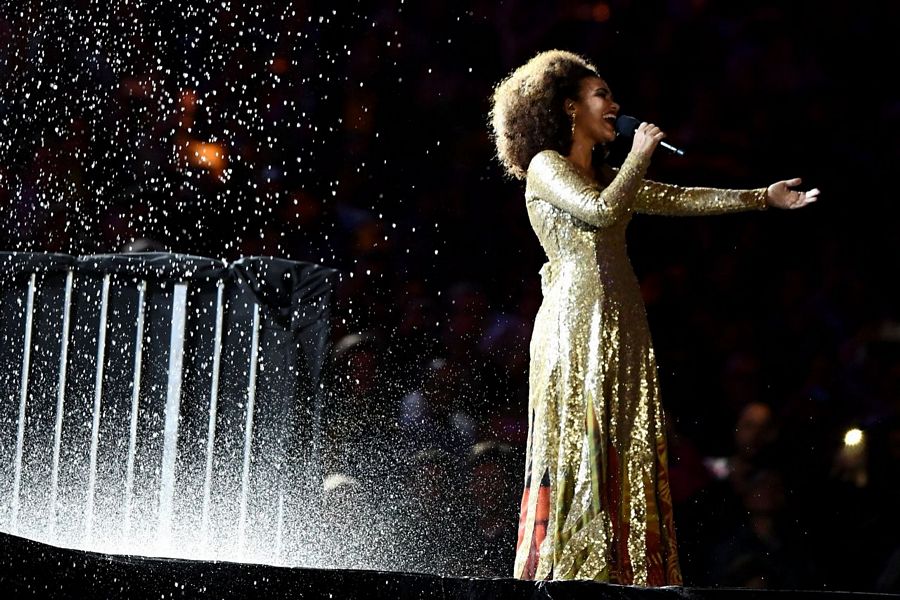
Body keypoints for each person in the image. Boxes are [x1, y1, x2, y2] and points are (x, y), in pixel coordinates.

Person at [487, 49, 819, 586]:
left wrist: (763, 198)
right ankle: (573, 568)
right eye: (602, 95)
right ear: (570, 108)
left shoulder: (606, 173)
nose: (615, 105)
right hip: (576, 323)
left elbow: (680, 198)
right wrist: (640, 153)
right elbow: (600, 213)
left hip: (623, 320)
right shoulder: (547, 166)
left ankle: (619, 568)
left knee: (625, 439)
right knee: (583, 439)